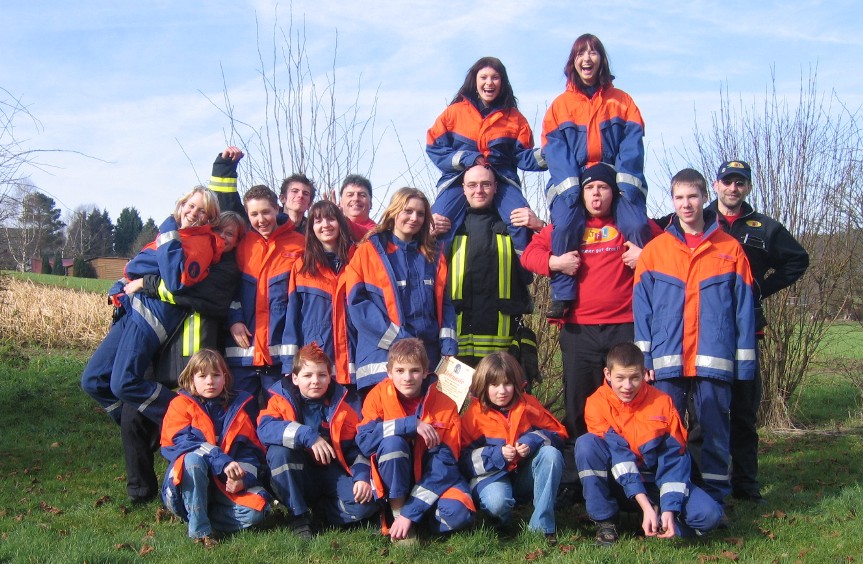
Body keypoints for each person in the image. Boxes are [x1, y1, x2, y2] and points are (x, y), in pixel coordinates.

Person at [521, 162, 660, 492]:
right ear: (581, 193)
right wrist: (554, 262)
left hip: (624, 328)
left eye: (603, 187)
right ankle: (579, 480)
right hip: (579, 330)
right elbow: (529, 254)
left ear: (614, 193)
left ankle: (629, 474)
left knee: (626, 401)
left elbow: (670, 249)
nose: (596, 194)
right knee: (579, 405)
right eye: (589, 188)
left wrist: (646, 255)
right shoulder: (567, 226)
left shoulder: (631, 224)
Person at [633, 168, 757, 505]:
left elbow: (744, 311)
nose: (686, 204)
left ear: (705, 197)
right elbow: (641, 313)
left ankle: (715, 497)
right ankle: (665, 496)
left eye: (692, 196)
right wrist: (643, 360)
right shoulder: (655, 251)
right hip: (666, 361)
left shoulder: (729, 249)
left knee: (715, 434)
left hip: (713, 361)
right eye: (679, 197)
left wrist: (744, 367)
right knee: (663, 431)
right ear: (672, 201)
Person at [120, 210, 245, 504]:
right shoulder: (196, 254)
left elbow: (187, 289)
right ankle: (140, 490)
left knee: (191, 423)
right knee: (131, 416)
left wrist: (148, 284)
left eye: (232, 235)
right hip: (162, 356)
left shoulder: (225, 270)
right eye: (220, 231)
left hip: (199, 368)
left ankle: (202, 481)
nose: (224, 238)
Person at [708, 160, 809, 503]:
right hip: (703, 329)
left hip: (746, 330)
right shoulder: (698, 219)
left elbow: (798, 260)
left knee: (744, 411)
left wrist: (761, 287)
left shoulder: (764, 227)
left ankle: (747, 486)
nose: (733, 188)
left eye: (740, 183)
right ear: (716, 184)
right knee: (705, 410)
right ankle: (708, 480)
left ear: (748, 187)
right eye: (727, 182)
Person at [81, 185, 222, 425]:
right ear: (182, 204)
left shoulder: (200, 243)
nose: (193, 213)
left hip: (151, 315)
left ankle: (189, 420)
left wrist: (167, 229)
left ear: (209, 218)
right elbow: (140, 265)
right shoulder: (177, 236)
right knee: (93, 380)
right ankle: (134, 421)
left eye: (202, 211)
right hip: (131, 309)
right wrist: (123, 284)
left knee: (124, 381)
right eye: (191, 206)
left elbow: (175, 280)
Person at [542, 34, 650, 319]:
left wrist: (623, 185)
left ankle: (646, 288)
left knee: (638, 224)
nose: (586, 58)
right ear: (573, 62)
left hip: (615, 180)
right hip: (574, 182)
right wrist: (571, 191)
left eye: (593, 53)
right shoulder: (559, 106)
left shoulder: (622, 101)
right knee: (565, 227)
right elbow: (555, 150)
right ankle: (563, 294)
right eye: (580, 53)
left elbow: (632, 144)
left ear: (602, 60)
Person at [575, 342, 723, 545]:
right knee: (586, 444)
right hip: (619, 482)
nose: (627, 386)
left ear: (644, 373)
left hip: (655, 482)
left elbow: (675, 458)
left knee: (709, 516)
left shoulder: (663, 402)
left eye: (634, 378)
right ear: (607, 374)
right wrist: (644, 504)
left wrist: (670, 508)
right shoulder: (596, 403)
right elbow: (620, 455)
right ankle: (606, 521)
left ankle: (661, 517)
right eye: (620, 378)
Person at [356, 338, 474, 543]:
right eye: (400, 371)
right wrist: (409, 425)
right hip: (394, 476)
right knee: (393, 445)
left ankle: (411, 519)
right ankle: (398, 516)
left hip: (432, 478)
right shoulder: (377, 396)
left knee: (458, 514)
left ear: (426, 372)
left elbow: (444, 466)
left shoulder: (445, 405)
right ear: (389, 372)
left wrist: (411, 513)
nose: (407, 378)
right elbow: (365, 442)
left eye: (414, 371)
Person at [257, 343, 378, 540]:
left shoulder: (342, 406)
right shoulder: (280, 399)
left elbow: (356, 448)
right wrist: (308, 436)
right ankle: (299, 516)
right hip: (296, 473)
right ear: (295, 378)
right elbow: (265, 429)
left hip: (329, 473)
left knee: (365, 505)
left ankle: (321, 513)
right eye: (307, 375)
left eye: (322, 375)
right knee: (279, 452)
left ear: (330, 377)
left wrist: (362, 477)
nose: (315, 381)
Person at [427, 56, 546, 252]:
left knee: (520, 221)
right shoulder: (453, 113)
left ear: (502, 83)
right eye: (484, 77)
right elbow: (434, 147)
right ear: (475, 81)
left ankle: (523, 272)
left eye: (495, 78)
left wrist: (552, 155)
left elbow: (523, 156)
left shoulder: (515, 118)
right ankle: (436, 276)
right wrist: (467, 159)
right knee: (438, 222)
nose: (489, 83)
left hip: (503, 180)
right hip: (457, 180)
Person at [343, 188, 457, 392]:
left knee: (431, 423)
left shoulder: (434, 254)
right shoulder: (368, 252)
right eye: (408, 211)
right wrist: (401, 341)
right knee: (391, 423)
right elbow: (357, 305)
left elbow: (445, 304)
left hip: (427, 360)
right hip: (382, 360)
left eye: (420, 213)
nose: (414, 218)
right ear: (394, 211)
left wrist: (448, 346)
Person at [160, 349, 271, 547]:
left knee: (257, 512)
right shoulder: (179, 404)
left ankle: (203, 515)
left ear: (225, 378)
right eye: (202, 376)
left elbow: (252, 453)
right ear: (191, 379)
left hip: (223, 487)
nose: (210, 381)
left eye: (216, 375)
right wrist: (221, 460)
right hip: (185, 484)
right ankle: (200, 532)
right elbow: (181, 443)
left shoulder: (238, 408)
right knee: (193, 460)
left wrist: (242, 480)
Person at [460, 351, 566, 543]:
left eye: (507, 383)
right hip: (491, 477)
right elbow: (463, 461)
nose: (502, 391)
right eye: (494, 384)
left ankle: (542, 527)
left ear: (517, 384)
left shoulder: (529, 405)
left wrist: (533, 440)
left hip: (524, 475)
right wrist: (497, 454)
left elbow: (560, 435)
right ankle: (500, 520)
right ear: (483, 385)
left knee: (551, 454)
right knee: (497, 504)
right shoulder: (473, 416)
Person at [436, 164, 535, 367]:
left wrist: (539, 225)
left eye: (485, 184)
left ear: (496, 187)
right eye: (472, 185)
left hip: (502, 348)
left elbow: (536, 267)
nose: (479, 190)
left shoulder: (514, 226)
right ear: (463, 188)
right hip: (454, 345)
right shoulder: (447, 229)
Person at [226, 183, 305, 402]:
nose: (261, 219)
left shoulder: (299, 244)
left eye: (266, 212)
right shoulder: (241, 244)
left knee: (282, 417)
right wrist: (234, 319)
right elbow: (230, 289)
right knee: (241, 420)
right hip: (243, 355)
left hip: (280, 356)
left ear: (277, 209)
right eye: (254, 214)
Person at [282, 201, 356, 381]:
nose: (325, 225)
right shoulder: (302, 267)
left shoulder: (359, 260)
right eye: (318, 221)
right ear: (311, 228)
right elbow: (292, 317)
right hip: (316, 363)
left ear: (340, 223)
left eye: (331, 219)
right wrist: (288, 364)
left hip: (354, 360)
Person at [338, 174, 377, 239]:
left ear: (370, 203)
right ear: (341, 202)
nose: (356, 199)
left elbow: (368, 235)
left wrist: (341, 219)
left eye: (362, 195)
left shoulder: (377, 233)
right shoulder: (332, 230)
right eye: (350, 195)